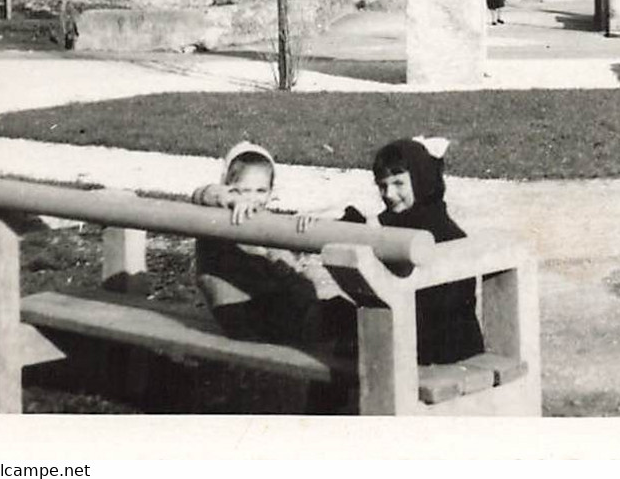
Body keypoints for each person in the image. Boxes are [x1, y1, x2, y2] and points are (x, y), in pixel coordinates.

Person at [340, 138, 485, 366]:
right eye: (382, 185)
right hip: (415, 330)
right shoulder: (398, 219)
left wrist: (377, 237)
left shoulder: (438, 228)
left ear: (421, 180)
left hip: (443, 344)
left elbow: (439, 305)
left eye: (399, 183)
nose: (389, 193)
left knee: (351, 333)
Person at [190, 142, 351, 346]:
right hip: (240, 313)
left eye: (261, 191)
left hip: (267, 310)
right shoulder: (218, 217)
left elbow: (291, 272)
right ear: (227, 186)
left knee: (341, 310)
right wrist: (231, 199)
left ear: (270, 191)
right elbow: (201, 194)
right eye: (244, 190)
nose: (253, 199)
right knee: (341, 316)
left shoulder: (264, 221)